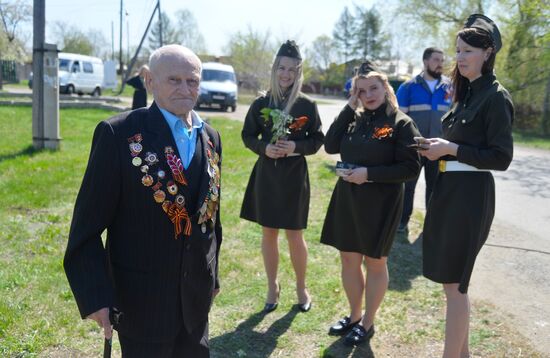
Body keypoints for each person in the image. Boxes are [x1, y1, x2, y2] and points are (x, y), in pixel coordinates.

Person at [64, 45, 222, 357]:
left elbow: (212, 216)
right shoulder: (119, 135)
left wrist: (212, 275)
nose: (184, 89)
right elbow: (86, 226)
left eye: (192, 81)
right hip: (142, 302)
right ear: (149, 80)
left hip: (195, 303)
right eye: (174, 80)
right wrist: (95, 296)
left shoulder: (211, 137)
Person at [417, 14, 513, 358]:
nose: (459, 58)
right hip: (448, 190)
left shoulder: (496, 97)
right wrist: (437, 147)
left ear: (487, 53)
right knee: (451, 285)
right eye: (457, 50)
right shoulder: (467, 94)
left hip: (471, 197)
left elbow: (501, 157)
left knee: (455, 286)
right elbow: (458, 143)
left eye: (468, 51)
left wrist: (452, 148)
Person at [321, 61, 421, 346]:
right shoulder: (355, 118)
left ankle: (368, 321)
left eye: (373, 88)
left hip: (382, 203)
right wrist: (348, 107)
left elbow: (411, 169)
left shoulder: (401, 123)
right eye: (361, 91)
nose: (369, 95)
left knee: (375, 263)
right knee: (349, 259)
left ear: (385, 87)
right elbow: (329, 145)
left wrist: (370, 175)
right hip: (349, 199)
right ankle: (354, 316)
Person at [240, 40, 324, 314]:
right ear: (274, 69)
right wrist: (264, 148)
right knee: (268, 233)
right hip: (268, 175)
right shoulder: (262, 102)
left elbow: (317, 139)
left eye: (292, 70)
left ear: (299, 72)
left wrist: (296, 147)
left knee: (294, 235)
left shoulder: (307, 105)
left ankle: (301, 287)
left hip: (293, 177)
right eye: (281, 68)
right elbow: (247, 135)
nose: (286, 74)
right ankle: (272, 286)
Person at [395, 47, 452, 233]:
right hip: (415, 146)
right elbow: (399, 119)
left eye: (442, 60)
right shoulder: (408, 87)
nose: (440, 64)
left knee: (435, 187)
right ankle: (402, 222)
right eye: (436, 59)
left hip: (439, 146)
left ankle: (432, 224)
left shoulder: (450, 87)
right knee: (408, 185)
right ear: (425, 61)